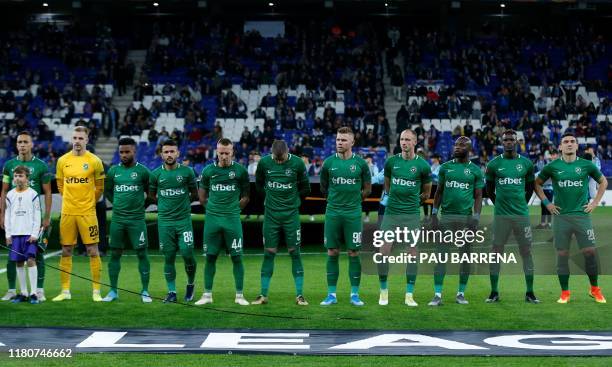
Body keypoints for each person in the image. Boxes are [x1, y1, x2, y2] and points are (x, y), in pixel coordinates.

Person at [534, 132, 608, 304]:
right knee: (562, 254)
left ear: (576, 146)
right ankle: (565, 293)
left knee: (589, 253)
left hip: (582, 217)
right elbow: (536, 183)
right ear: (560, 146)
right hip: (561, 218)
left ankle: (594, 289)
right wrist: (547, 203)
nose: (569, 144)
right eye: (565, 141)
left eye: (572, 141)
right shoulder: (552, 166)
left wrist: (595, 202)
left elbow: (603, 182)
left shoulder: (586, 165)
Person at [252, 140, 311, 305]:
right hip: (271, 216)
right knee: (269, 252)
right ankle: (263, 295)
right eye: (276, 159)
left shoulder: (298, 163)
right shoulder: (264, 163)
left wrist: (293, 200)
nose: (279, 161)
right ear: (272, 153)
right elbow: (258, 185)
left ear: (287, 152)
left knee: (295, 252)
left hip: (291, 216)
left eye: (282, 159)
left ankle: (300, 295)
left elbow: (306, 188)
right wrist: (270, 198)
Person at [377, 129, 432, 307]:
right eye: (401, 139)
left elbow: (426, 192)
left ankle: (409, 294)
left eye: (407, 139)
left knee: (412, 253)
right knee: (383, 251)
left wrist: (413, 203)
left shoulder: (423, 166)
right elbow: (387, 186)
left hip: (411, 215)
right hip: (391, 213)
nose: (404, 142)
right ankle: (383, 291)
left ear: (415, 142)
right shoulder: (391, 162)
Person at [485, 130, 539, 304]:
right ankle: (494, 292)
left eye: (511, 140)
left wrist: (521, 205)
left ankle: (530, 292)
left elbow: (530, 188)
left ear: (517, 142)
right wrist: (499, 204)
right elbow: (489, 189)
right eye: (505, 139)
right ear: (502, 142)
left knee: (526, 252)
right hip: (501, 217)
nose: (508, 142)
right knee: (496, 253)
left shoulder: (526, 164)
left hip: (521, 216)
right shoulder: (493, 164)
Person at [319, 127, 371, 306]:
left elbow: (368, 188)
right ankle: (331, 295)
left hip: (353, 214)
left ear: (352, 143)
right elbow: (323, 188)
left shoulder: (361, 164)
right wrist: (334, 201)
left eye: (343, 140)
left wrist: (356, 201)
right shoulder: (328, 163)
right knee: (332, 251)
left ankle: (354, 295)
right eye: (338, 140)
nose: (339, 143)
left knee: (353, 252)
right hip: (333, 212)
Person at [429, 136, 483, 306]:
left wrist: (476, 218)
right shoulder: (445, 168)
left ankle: (461, 293)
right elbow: (438, 192)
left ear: (469, 149)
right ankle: (437, 295)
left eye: (461, 145)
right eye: (455, 145)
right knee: (441, 257)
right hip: (446, 217)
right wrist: (434, 214)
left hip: (466, 219)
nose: (456, 147)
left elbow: (478, 196)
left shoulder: (475, 170)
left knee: (465, 257)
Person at [53, 126, 105, 302]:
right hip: (68, 212)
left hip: (87, 213)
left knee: (92, 250)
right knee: (66, 250)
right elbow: (60, 185)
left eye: (81, 138)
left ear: (87, 140)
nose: (77, 141)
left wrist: (89, 201)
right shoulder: (62, 161)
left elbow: (99, 187)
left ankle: (96, 291)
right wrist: (69, 199)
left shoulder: (95, 161)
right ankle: (65, 291)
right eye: (75, 138)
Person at [195, 138, 250, 306]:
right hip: (212, 220)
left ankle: (240, 296)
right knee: (210, 257)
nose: (224, 156)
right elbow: (202, 197)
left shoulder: (240, 171)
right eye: (221, 153)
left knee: (237, 257)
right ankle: (207, 295)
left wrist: (233, 210)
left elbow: (246, 197)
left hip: (232, 220)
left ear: (232, 152)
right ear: (216, 152)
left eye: (227, 153)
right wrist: (213, 210)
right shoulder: (208, 171)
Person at [1, 131, 52, 302]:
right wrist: (2, 214)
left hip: (33, 219)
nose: (22, 145)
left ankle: (39, 290)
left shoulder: (42, 166)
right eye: (19, 142)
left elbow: (48, 192)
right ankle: (12, 290)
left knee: (37, 254)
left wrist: (46, 217)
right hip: (16, 220)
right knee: (14, 257)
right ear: (16, 145)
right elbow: (4, 191)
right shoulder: (9, 165)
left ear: (31, 144)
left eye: (25, 142)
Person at [102, 138, 152, 303]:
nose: (123, 155)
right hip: (118, 220)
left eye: (127, 152)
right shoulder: (113, 171)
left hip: (137, 221)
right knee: (115, 253)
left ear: (134, 151)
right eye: (121, 152)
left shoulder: (143, 172)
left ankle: (145, 291)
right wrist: (115, 202)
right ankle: (113, 291)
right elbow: (107, 190)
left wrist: (142, 206)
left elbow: (151, 193)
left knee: (142, 253)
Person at [149, 140, 199, 303]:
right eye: (166, 152)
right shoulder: (156, 174)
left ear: (178, 153)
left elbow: (194, 193)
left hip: (183, 221)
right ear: (161, 154)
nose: (169, 155)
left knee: (187, 254)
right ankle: (171, 292)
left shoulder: (187, 172)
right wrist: (163, 205)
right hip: (165, 222)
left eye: (172, 151)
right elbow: (151, 195)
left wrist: (183, 204)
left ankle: (191, 284)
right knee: (168, 256)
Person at [3, 166, 42, 304]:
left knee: (31, 260)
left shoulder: (33, 194)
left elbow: (37, 214)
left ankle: (33, 293)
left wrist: (34, 234)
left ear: (27, 178)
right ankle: (24, 292)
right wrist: (8, 235)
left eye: (20, 176)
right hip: (15, 234)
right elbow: (7, 215)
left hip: (28, 234)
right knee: (19, 262)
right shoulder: (10, 194)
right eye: (15, 176)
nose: (17, 178)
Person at [536, 150, 558, 229]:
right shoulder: (549, 165)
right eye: (551, 155)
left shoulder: (555, 166)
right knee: (543, 205)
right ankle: (543, 223)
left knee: (548, 206)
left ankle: (548, 223)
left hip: (549, 188)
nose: (552, 156)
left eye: (554, 155)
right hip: (544, 188)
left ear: (556, 155)